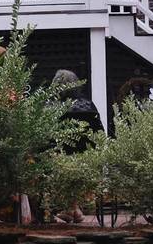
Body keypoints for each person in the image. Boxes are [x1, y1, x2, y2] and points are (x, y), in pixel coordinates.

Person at [51, 69, 103, 224]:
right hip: (86, 158)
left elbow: (48, 137)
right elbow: (99, 132)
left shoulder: (53, 107)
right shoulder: (88, 104)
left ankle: (70, 210)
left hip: (60, 158)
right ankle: (73, 210)